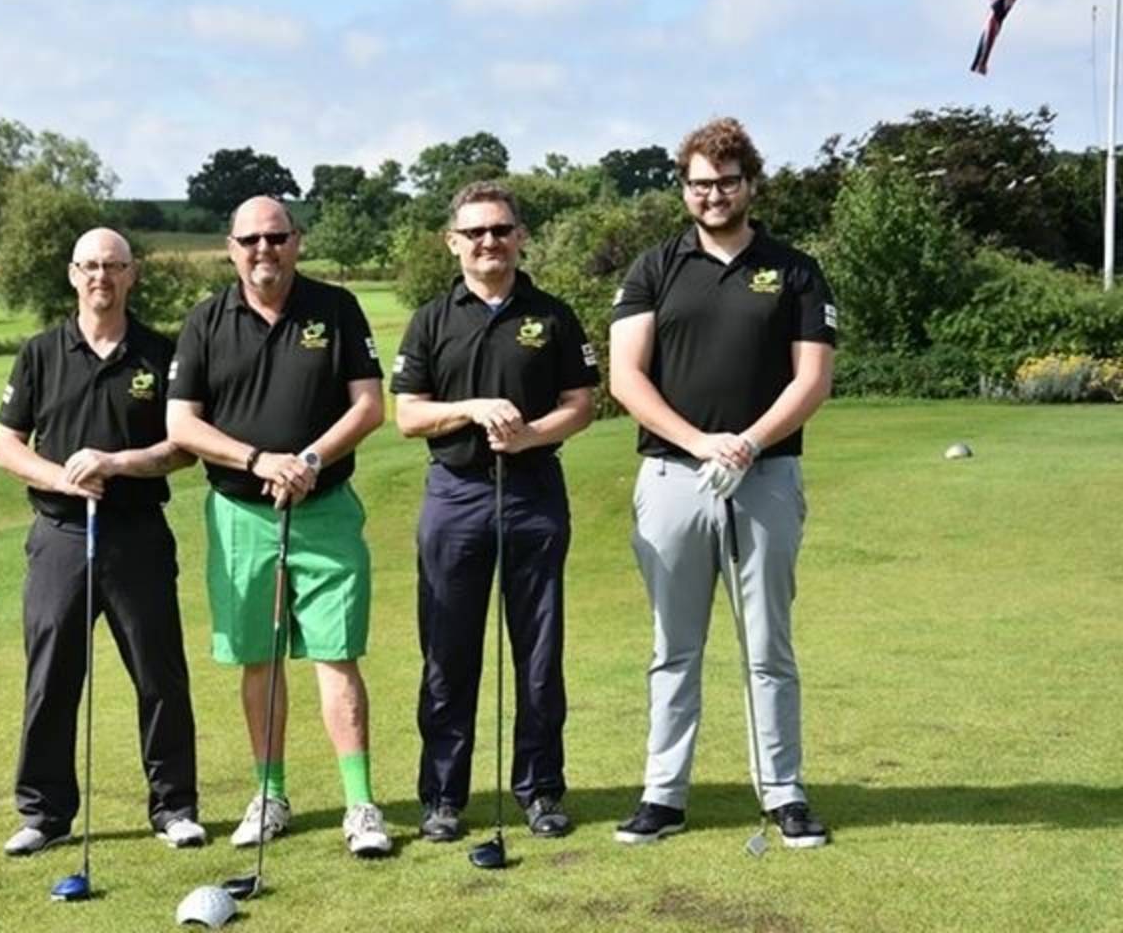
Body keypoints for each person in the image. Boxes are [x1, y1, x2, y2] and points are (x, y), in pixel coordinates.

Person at [608, 118, 836, 849]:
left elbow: (813, 378)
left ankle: (784, 791)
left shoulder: (795, 268)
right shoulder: (654, 267)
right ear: (685, 188)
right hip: (674, 474)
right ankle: (664, 793)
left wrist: (748, 442)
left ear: (750, 184)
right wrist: (701, 441)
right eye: (700, 184)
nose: (713, 195)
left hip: (766, 475)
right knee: (674, 644)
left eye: (726, 182)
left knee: (768, 644)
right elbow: (625, 377)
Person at [165, 195, 392, 858]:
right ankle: (270, 794)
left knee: (336, 655)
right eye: (250, 240)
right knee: (258, 659)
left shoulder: (336, 308)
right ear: (230, 247)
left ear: (297, 241)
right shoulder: (206, 321)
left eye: (276, 237)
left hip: (325, 509)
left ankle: (361, 805)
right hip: (240, 513)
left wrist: (311, 460)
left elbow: (369, 405)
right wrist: (260, 459)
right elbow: (183, 424)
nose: (264, 250)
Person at [392, 181, 598, 842]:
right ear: (453, 242)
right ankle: (444, 797)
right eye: (476, 232)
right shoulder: (431, 318)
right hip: (455, 496)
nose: (490, 242)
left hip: (534, 491)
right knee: (448, 652)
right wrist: (472, 409)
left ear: (520, 237)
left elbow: (582, 403)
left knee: (538, 652)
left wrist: (532, 434)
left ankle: (540, 790)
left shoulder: (553, 315)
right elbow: (407, 415)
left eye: (501, 230)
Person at [0, 227, 204, 856]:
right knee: (52, 676)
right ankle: (44, 813)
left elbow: (182, 448)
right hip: (59, 533)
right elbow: (5, 445)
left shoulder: (160, 353)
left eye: (113, 266)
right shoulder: (39, 352)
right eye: (89, 266)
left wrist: (116, 464)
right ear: (72, 274)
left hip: (136, 534)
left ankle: (174, 807)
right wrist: (63, 477)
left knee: (159, 675)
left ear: (132, 274)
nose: (101, 278)